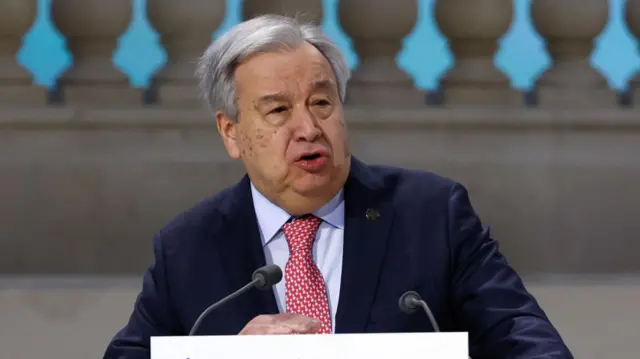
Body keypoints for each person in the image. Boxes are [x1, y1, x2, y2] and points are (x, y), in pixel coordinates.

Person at [104, 14, 573, 359]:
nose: (308, 128)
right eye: (279, 111)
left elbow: (527, 341)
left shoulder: (432, 216)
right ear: (231, 133)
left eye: (322, 102)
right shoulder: (189, 247)